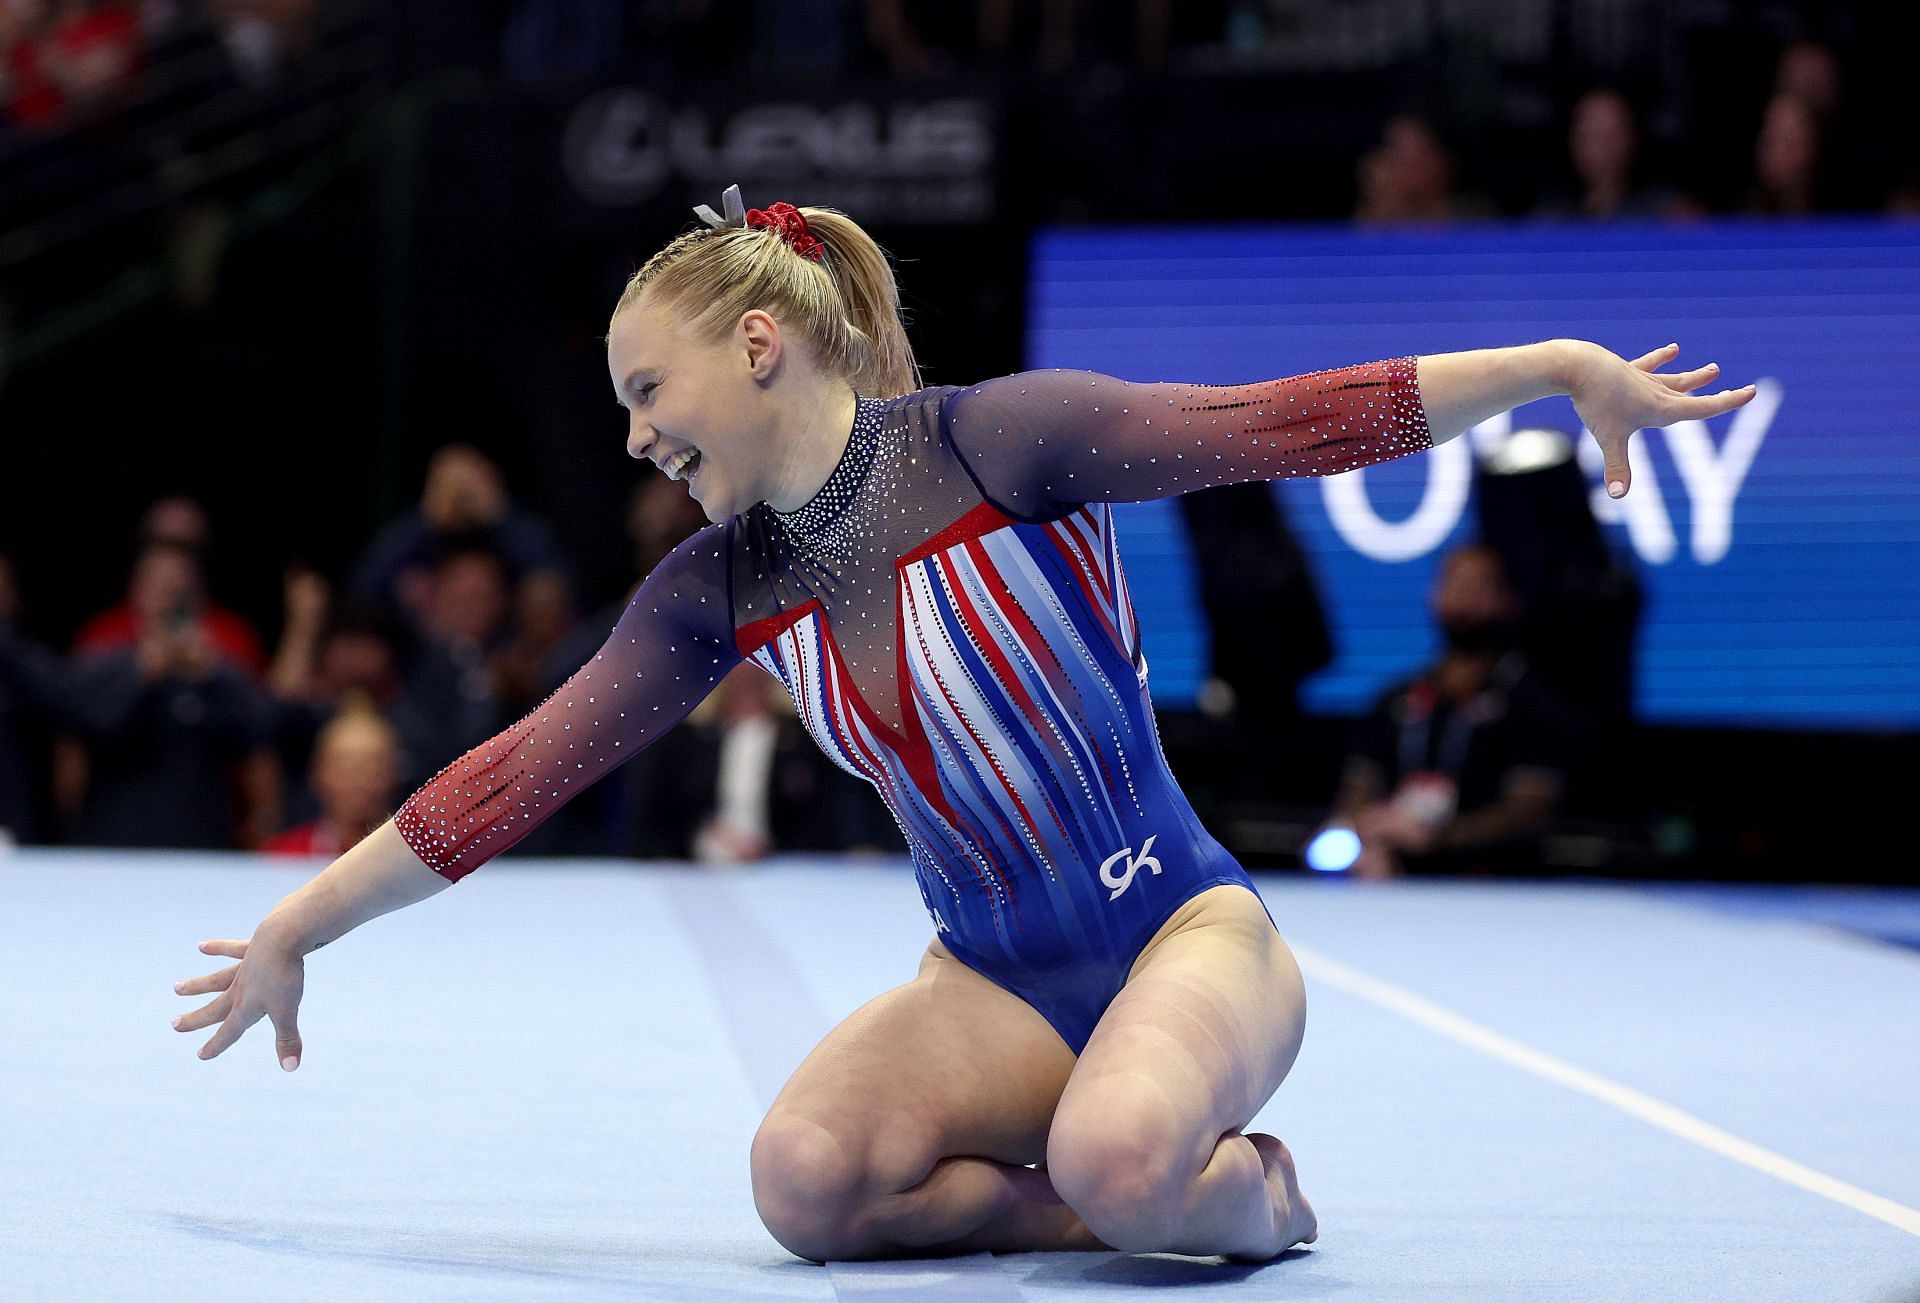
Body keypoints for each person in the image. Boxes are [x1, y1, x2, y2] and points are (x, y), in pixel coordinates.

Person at [172, 186, 1757, 1262]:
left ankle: (1249, 1199)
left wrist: (1552, 369)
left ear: (757, 342)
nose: (638, 437)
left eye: (648, 391)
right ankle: (1084, 1199)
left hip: (1185, 941)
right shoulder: (720, 587)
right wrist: (299, 921)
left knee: (1135, 1157)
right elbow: (516, 773)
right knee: (804, 1182)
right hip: (989, 984)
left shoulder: (1008, 440)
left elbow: (1282, 424)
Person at [1327, 543, 1587, 879]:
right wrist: (1367, 831)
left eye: (1480, 586)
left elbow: (1529, 811)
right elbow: (1357, 791)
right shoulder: (1395, 701)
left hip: (1498, 887)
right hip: (1394, 879)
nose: (1464, 597)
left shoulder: (1533, 705)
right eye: (1454, 583)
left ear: (1509, 600)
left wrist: (1435, 838)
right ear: (1433, 595)